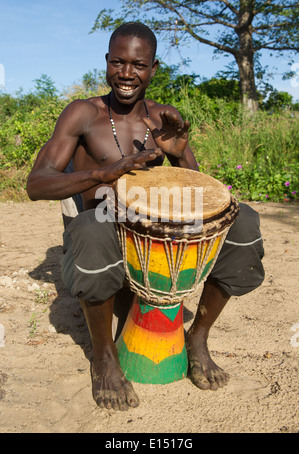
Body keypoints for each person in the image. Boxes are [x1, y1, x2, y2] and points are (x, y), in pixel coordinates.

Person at [27, 22, 264, 411]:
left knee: (243, 221)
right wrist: (101, 174)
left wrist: (180, 152)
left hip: (159, 236)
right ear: (106, 62)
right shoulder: (83, 114)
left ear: (153, 69)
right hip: (105, 227)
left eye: (138, 65)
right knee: (89, 227)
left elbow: (202, 194)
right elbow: (37, 184)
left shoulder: (162, 118)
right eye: (118, 62)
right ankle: (104, 358)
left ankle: (198, 337)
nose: (126, 73)